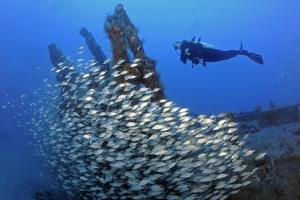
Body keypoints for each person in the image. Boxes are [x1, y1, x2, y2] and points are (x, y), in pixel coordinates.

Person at [174, 37, 264, 67]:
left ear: (179, 42)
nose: (178, 47)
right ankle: (242, 52)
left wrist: (182, 53)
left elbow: (183, 61)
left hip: (206, 53)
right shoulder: (184, 49)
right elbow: (185, 61)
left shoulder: (185, 44)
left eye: (177, 45)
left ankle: (244, 53)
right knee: (223, 56)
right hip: (206, 57)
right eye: (176, 47)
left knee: (223, 55)